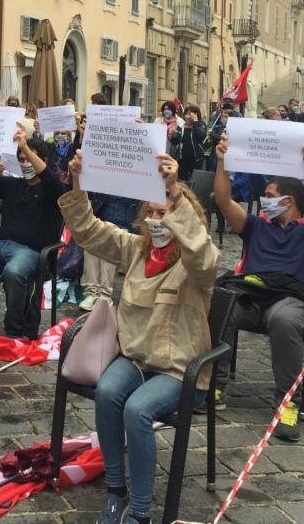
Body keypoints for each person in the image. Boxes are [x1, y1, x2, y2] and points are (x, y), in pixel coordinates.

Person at [61, 150, 218, 524]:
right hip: (136, 358)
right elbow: (88, 230)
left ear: (184, 218)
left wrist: (173, 191)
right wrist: (79, 181)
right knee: (107, 393)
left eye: (165, 213)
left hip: (179, 368)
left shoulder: (195, 262)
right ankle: (116, 490)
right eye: (152, 212)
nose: (157, 220)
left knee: (137, 409)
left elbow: (204, 257)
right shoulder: (135, 248)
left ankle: (142, 511)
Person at [212, 135, 304, 442]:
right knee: (221, 302)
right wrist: (222, 163)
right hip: (253, 298)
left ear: (289, 200)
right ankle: (214, 384)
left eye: (269, 194)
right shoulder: (257, 226)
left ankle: (286, 401)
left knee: (284, 320)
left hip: (291, 300)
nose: (263, 198)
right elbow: (224, 201)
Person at [0, 124, 66, 339]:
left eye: (29, 158)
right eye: (22, 159)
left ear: (43, 161)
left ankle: (14, 330)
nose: (25, 162)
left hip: (32, 251)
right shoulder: (13, 185)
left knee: (14, 272)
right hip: (3, 245)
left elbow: (50, 178)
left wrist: (25, 147)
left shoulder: (52, 189)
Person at [178, 104, 207, 181]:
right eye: (186, 114)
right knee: (182, 181)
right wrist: (173, 136)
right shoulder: (181, 125)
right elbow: (176, 141)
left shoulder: (200, 124)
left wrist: (195, 122)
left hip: (196, 159)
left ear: (196, 114)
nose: (188, 116)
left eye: (190, 114)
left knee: (195, 181)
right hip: (182, 159)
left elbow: (201, 136)